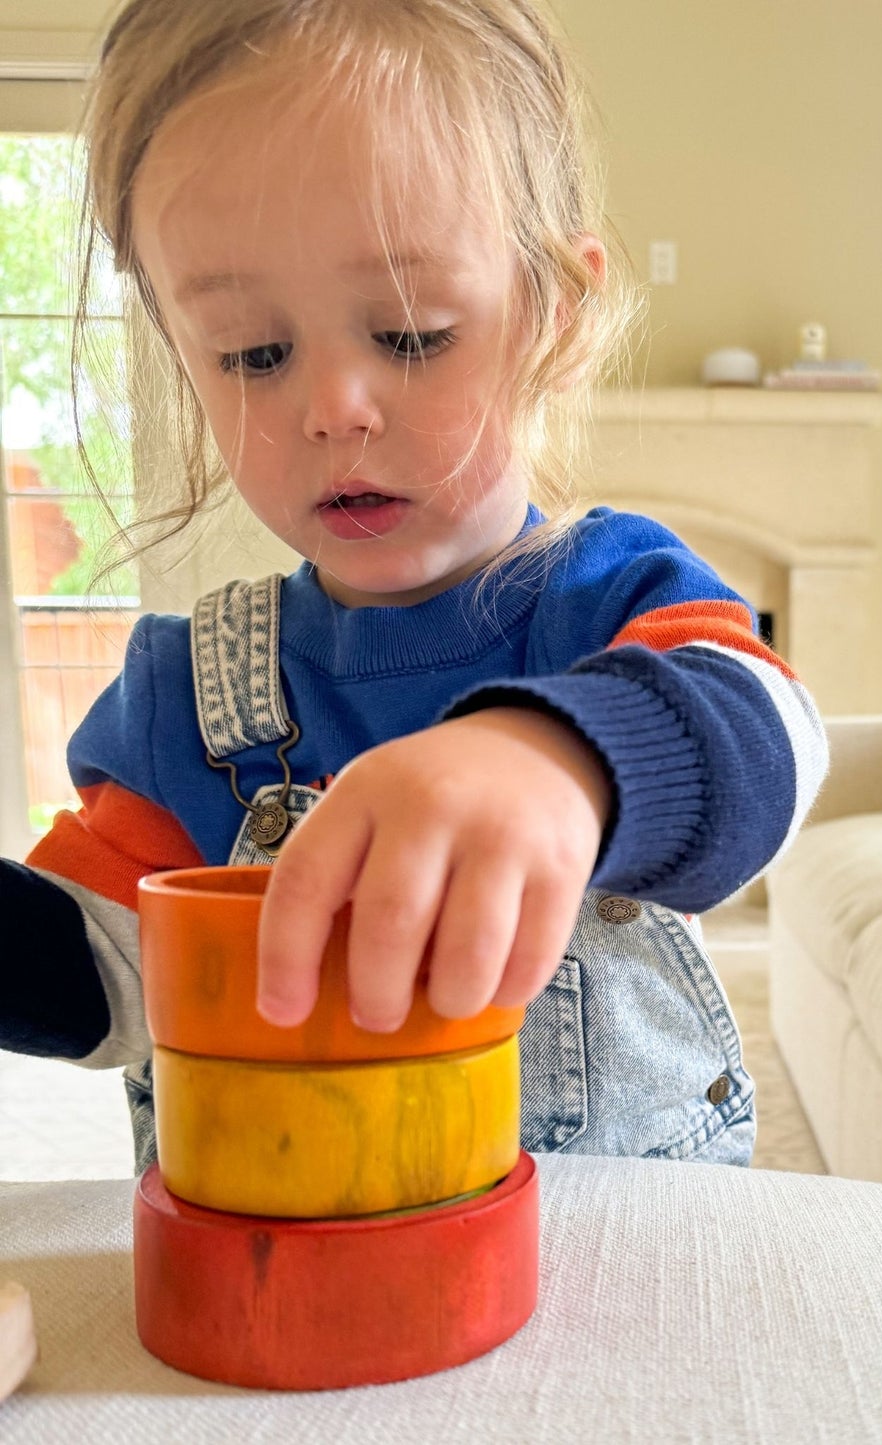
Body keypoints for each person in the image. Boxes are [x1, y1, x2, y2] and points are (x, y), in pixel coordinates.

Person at [0, 0, 826, 1171]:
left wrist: (564, 762)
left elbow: (774, 738)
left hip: (618, 1278)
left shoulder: (612, 597)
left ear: (549, 316)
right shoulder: (187, 696)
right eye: (254, 352)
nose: (334, 404)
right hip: (297, 1296)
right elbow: (105, 978)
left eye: (412, 331)